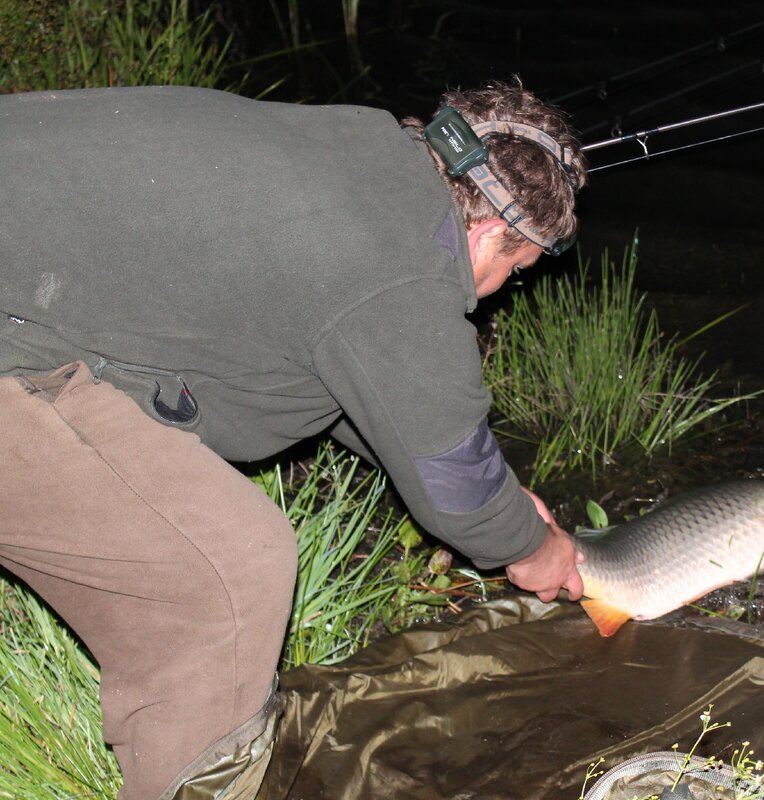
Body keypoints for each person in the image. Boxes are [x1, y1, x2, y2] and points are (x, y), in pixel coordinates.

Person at [0, 80, 587, 800]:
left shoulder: (354, 148)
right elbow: (457, 492)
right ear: (490, 233)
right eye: (514, 271)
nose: (498, 289)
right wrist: (537, 549)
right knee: (224, 578)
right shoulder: (402, 263)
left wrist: (501, 506)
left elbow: (350, 374)